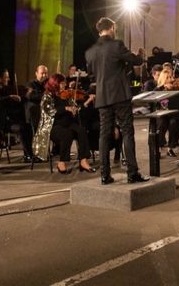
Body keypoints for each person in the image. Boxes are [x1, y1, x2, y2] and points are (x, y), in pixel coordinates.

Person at [85, 16, 147, 185]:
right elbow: (135, 61)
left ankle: (105, 175)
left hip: (103, 97)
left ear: (99, 31)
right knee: (127, 131)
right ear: (111, 28)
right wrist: (140, 55)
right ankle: (132, 173)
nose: (115, 31)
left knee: (104, 135)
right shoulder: (116, 45)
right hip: (120, 95)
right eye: (114, 28)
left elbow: (92, 75)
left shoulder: (90, 52)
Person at [32, 74, 95, 174]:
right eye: (62, 83)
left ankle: (83, 160)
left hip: (68, 123)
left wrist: (77, 108)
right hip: (53, 126)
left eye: (64, 83)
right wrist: (65, 108)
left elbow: (75, 107)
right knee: (67, 134)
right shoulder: (47, 96)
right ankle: (61, 162)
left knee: (81, 130)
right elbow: (49, 111)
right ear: (55, 84)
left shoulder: (66, 95)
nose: (64, 85)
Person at [24, 64, 49, 162]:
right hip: (33, 113)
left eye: (46, 73)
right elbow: (30, 96)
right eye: (42, 73)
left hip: (42, 112)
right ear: (36, 73)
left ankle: (43, 152)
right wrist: (44, 95)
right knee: (36, 132)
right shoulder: (30, 84)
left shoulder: (46, 85)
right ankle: (35, 154)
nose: (44, 75)